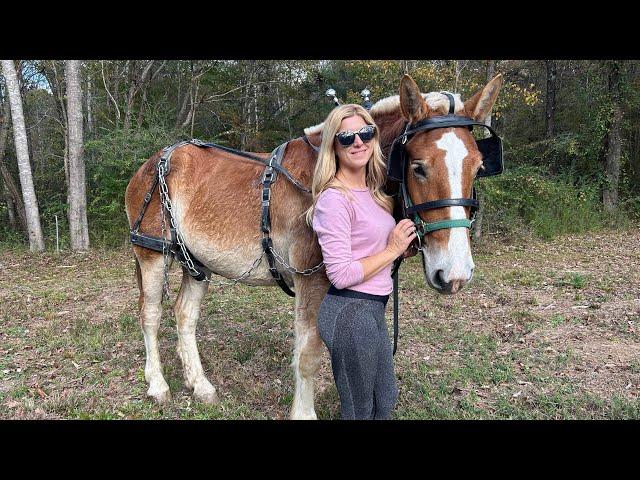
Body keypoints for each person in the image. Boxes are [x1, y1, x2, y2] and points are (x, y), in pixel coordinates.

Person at [304, 104, 417, 419]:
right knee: (359, 410)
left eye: (365, 133)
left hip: (371, 309)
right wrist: (391, 250)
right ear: (333, 147)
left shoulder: (374, 193)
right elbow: (340, 274)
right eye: (346, 137)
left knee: (386, 400)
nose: (358, 142)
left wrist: (398, 248)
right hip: (349, 312)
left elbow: (368, 251)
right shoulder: (334, 199)